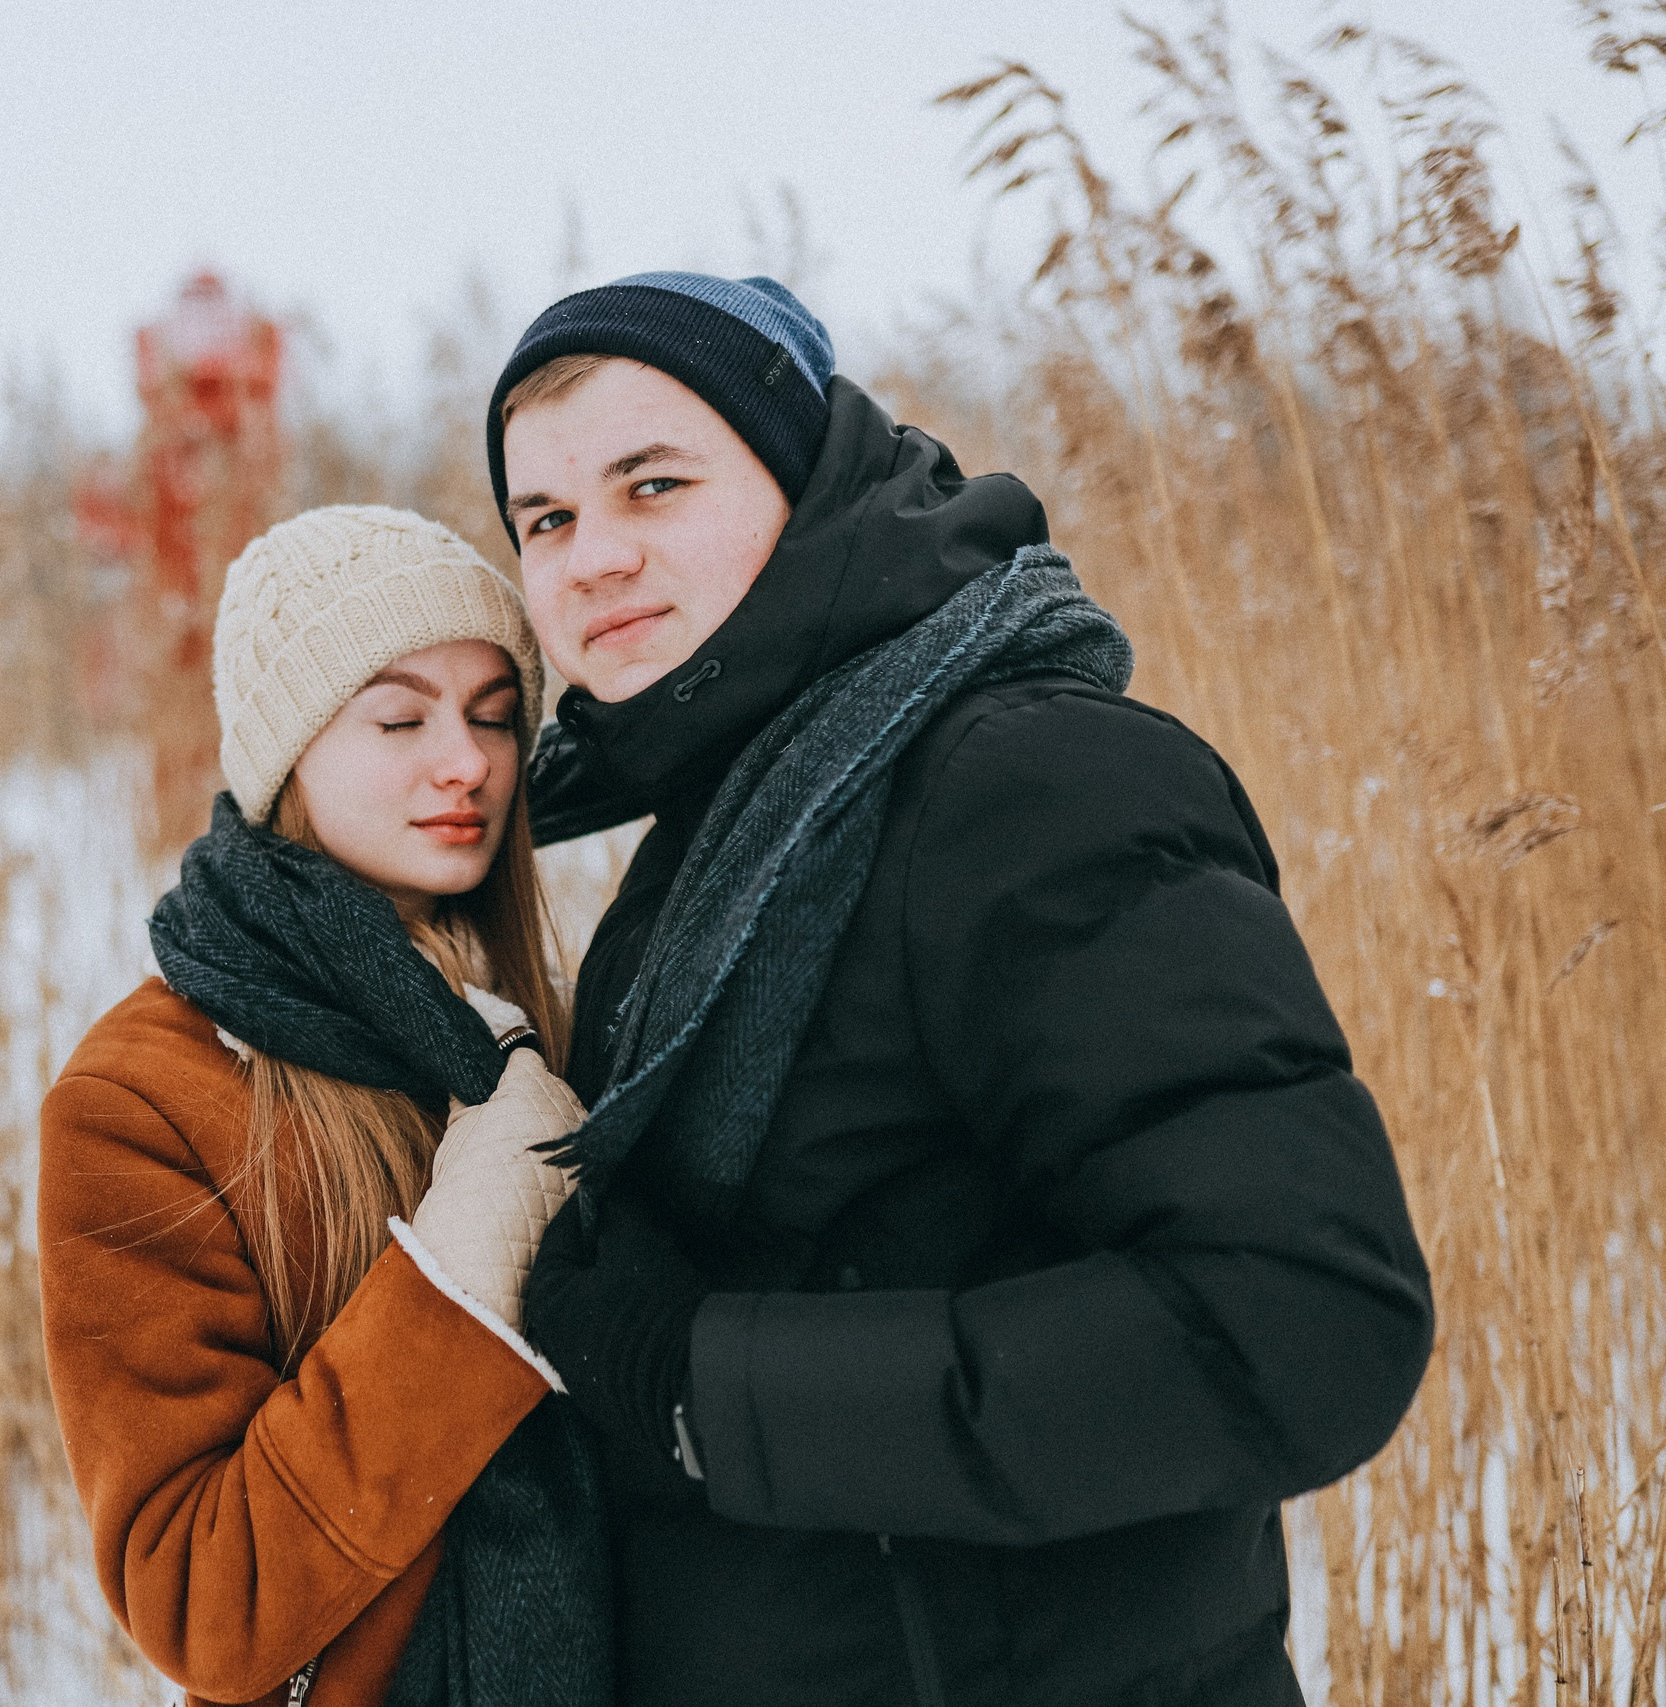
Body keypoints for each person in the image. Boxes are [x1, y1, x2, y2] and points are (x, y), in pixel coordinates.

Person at [492, 274, 1436, 1706]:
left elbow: (1302, 1321)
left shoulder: (1027, 781)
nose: (592, 556)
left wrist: (703, 1380)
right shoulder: (727, 823)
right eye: (546, 518)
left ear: (806, 484)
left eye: (654, 483)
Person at [39, 505, 612, 1707]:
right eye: (399, 717)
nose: (465, 762)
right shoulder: (144, 1098)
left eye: (495, 717)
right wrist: (462, 1270)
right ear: (285, 755)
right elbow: (201, 1597)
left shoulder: (555, 1034)